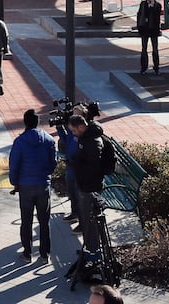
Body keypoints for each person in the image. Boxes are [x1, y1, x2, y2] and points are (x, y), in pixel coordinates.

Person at [8, 108, 57, 262]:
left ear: (25, 122)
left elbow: (14, 164)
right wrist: (45, 174)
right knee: (44, 221)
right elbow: (53, 163)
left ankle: (27, 253)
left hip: (25, 186)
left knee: (26, 221)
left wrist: (15, 182)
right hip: (43, 185)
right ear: (38, 122)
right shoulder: (49, 140)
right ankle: (44, 254)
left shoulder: (20, 142)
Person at [68, 112, 110, 265]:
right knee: (85, 220)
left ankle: (93, 253)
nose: (74, 134)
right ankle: (89, 250)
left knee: (89, 221)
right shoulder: (86, 138)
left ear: (81, 126)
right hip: (86, 185)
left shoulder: (92, 141)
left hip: (90, 187)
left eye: (74, 131)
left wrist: (77, 164)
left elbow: (93, 166)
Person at [136, 0, 164, 75]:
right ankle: (143, 67)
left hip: (153, 30)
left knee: (155, 49)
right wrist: (139, 26)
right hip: (144, 30)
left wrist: (151, 7)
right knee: (144, 49)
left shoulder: (157, 5)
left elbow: (157, 16)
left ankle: (156, 67)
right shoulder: (143, 4)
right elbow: (139, 15)